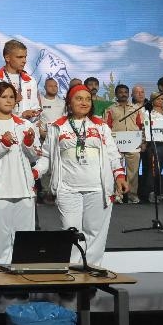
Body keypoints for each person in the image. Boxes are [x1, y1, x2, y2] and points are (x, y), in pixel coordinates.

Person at [35, 85, 127, 266]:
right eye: (79, 98)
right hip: (68, 189)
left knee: (95, 232)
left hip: (98, 188)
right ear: (69, 102)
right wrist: (33, 173)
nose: (84, 102)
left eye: (87, 99)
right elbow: (46, 156)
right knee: (71, 231)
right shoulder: (57, 126)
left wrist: (119, 176)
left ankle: (92, 271)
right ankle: (73, 271)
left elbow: (113, 154)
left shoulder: (100, 126)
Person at [0, 82, 40, 265]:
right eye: (3, 96)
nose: (8, 100)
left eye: (11, 97)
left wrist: (28, 143)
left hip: (24, 188)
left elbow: (35, 155)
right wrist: (3, 145)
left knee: (25, 237)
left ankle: (23, 275)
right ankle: (3, 274)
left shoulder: (25, 125)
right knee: (2, 238)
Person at [0, 40, 41, 120]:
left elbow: (36, 109)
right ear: (7, 58)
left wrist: (32, 114)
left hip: (26, 130)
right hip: (2, 130)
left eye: (25, 57)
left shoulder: (30, 81)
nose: (24, 61)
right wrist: (13, 102)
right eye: (19, 57)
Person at [104, 84, 143, 204]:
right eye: (120, 92)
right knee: (116, 169)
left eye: (126, 92)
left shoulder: (136, 108)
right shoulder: (110, 109)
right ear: (116, 94)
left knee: (133, 171)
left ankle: (132, 195)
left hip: (133, 144)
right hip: (116, 145)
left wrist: (143, 142)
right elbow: (107, 127)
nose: (123, 94)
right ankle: (118, 195)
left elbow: (141, 126)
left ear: (129, 94)